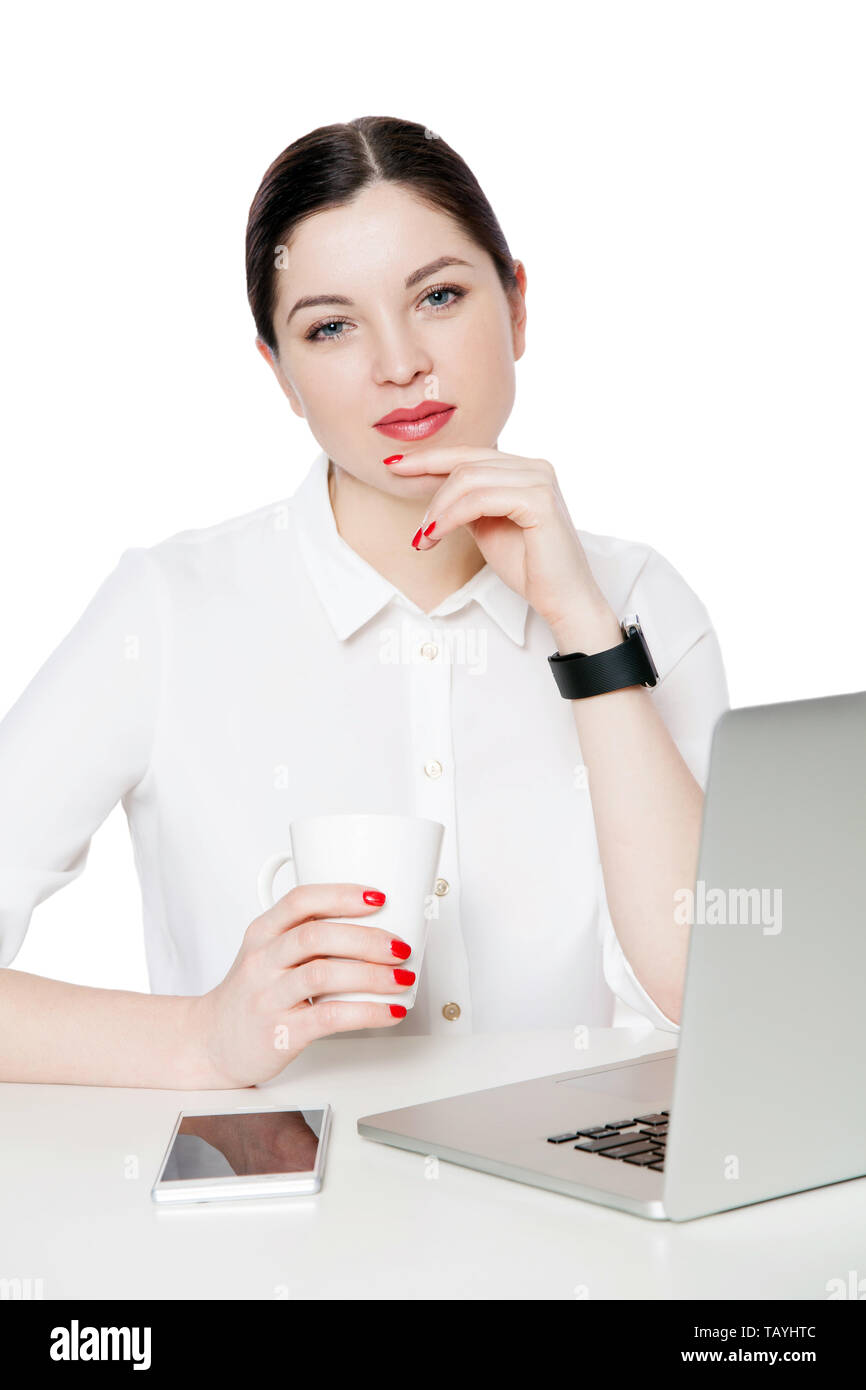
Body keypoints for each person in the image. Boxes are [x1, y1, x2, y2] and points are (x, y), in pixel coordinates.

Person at [0, 115, 729, 1091]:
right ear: (280, 374)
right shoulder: (169, 612)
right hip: (279, 1233)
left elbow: (713, 996)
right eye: (330, 326)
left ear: (516, 306)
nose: (397, 364)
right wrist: (201, 1041)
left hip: (580, 1227)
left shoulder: (640, 600)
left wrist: (583, 627)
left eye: (437, 296)